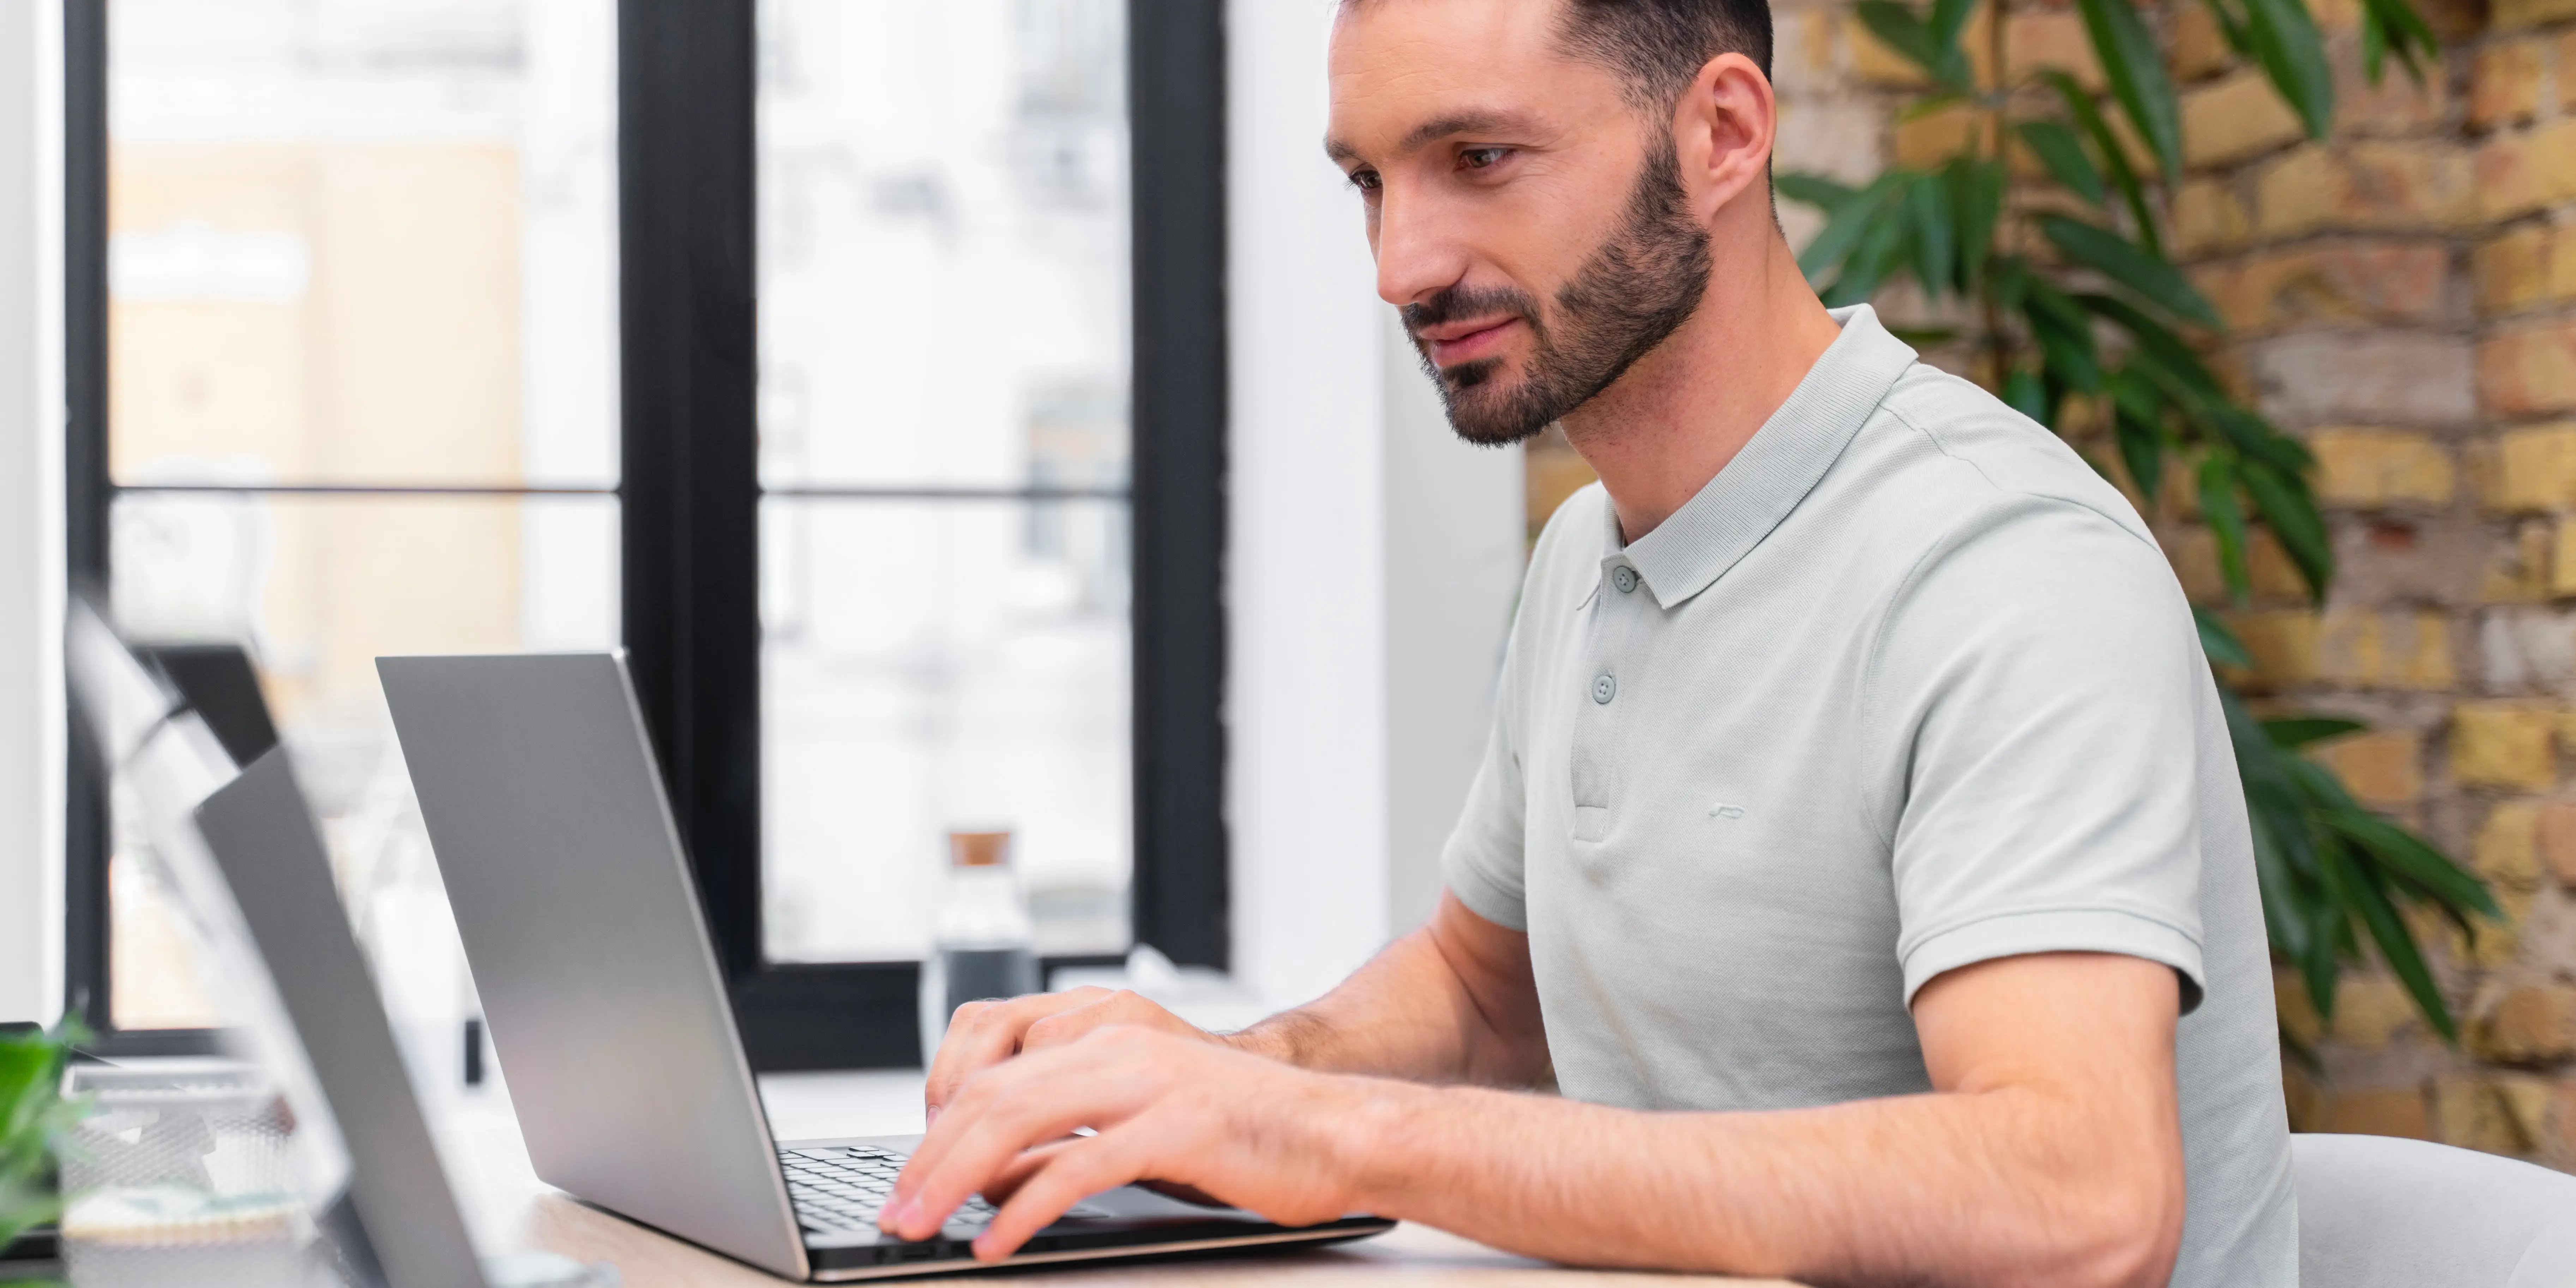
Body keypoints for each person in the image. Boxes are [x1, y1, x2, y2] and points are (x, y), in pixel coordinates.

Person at [877, 1, 2293, 1284]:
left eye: (1478, 158)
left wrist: (1336, 1132)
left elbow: (2078, 1203)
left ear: (1722, 134)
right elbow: (1486, 994)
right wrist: (1218, 1075)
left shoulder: (2000, 563)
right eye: (1370, 181)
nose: (1400, 264)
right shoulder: (1588, 553)